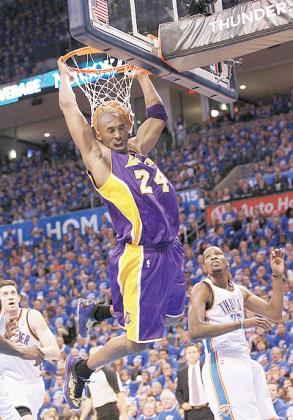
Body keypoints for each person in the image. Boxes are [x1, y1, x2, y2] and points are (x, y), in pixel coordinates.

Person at [57, 58, 186, 409]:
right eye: (108, 130)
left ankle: (99, 311)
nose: (116, 135)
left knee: (174, 318)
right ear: (98, 135)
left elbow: (158, 116)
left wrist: (143, 76)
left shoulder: (137, 148)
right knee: (139, 342)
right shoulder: (99, 161)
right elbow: (71, 111)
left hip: (171, 248)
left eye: (120, 128)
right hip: (142, 256)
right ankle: (81, 367)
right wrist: (64, 78)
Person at [188, 246, 285, 420]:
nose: (213, 258)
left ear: (227, 262)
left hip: (247, 362)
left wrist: (277, 276)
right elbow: (195, 330)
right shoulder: (202, 289)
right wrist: (242, 323)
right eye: (208, 257)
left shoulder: (240, 291)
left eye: (218, 254)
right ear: (204, 269)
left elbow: (275, 313)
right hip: (222, 363)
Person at [0, 280, 60, 419]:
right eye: (5, 294)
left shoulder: (32, 316)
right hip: (10, 381)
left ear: (19, 298)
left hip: (35, 383)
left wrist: (28, 352)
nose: (10, 297)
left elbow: (55, 352)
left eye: (13, 293)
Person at [80, 347, 128, 420]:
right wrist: (82, 418)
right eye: (91, 355)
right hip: (99, 412)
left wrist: (124, 416)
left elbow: (120, 394)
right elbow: (89, 399)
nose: (93, 357)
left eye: (96, 354)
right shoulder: (89, 376)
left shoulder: (109, 372)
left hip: (111, 411)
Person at [176, 344, 213, 419]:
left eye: (194, 352)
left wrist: (212, 401)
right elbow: (178, 391)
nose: (192, 354)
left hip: (207, 409)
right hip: (191, 412)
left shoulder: (207, 368)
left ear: (199, 354)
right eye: (189, 353)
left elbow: (214, 385)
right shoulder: (181, 372)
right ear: (186, 356)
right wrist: (182, 403)